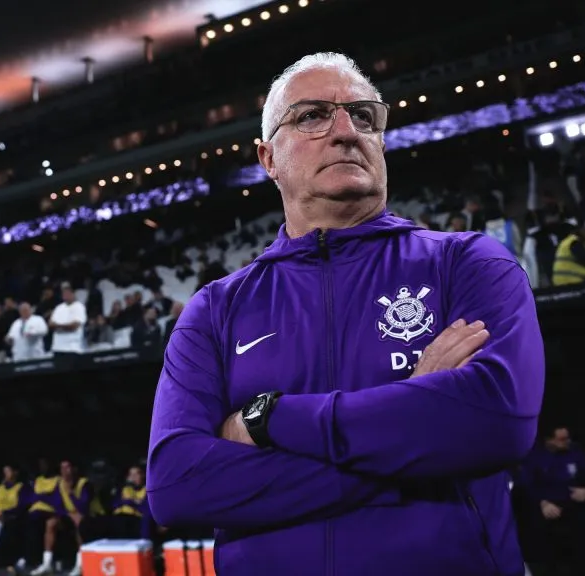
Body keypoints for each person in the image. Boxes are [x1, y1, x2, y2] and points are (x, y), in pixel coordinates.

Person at [146, 52, 544, 576]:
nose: (346, 131)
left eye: (363, 116)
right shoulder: (216, 310)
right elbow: (176, 486)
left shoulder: (468, 263)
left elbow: (497, 422)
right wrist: (411, 432)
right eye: (312, 115)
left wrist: (268, 418)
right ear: (268, 158)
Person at [517, 426, 585, 576]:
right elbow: (526, 485)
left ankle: (579, 570)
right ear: (549, 440)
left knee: (584, 525)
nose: (567, 441)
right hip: (546, 503)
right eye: (562, 439)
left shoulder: (576, 453)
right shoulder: (535, 457)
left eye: (568, 438)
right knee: (538, 526)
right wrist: (542, 502)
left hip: (573, 501)